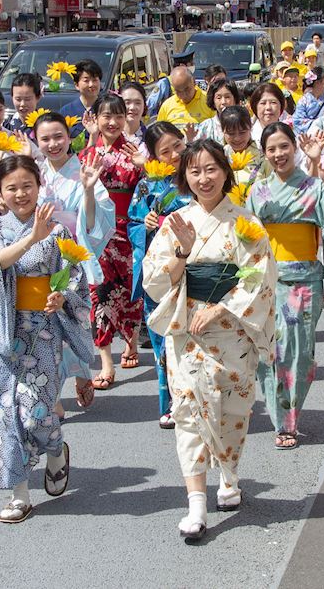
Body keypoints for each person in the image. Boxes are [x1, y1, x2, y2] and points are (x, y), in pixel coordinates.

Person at [143, 139, 277, 540]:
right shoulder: (175, 222)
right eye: (194, 171)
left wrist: (220, 309)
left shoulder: (245, 222)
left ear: (225, 172)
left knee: (231, 410)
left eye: (211, 169)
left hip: (231, 328)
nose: (203, 178)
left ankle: (229, 476)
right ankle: (196, 505)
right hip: (186, 328)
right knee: (188, 411)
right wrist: (181, 254)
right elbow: (154, 280)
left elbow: (260, 277)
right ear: (184, 176)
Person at [0, 155, 95, 523]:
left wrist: (61, 296)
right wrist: (32, 238)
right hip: (2, 332)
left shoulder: (58, 232)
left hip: (41, 329)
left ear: (38, 186)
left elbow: (75, 278)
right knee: (4, 413)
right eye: (11, 187)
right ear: (0, 193)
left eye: (27, 185)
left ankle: (56, 450)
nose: (20, 193)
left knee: (36, 413)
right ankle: (19, 494)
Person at [246, 124, 324, 448]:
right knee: (268, 349)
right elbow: (246, 239)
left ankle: (289, 417)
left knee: (298, 352)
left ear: (295, 148)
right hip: (267, 280)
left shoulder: (315, 187)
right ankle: (283, 420)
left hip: (304, 281)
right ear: (264, 153)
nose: (278, 154)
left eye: (284, 146)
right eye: (271, 149)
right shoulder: (258, 191)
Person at [34, 112, 114, 412]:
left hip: (72, 259)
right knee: (44, 327)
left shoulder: (82, 170)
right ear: (36, 142)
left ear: (70, 137)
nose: (53, 144)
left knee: (75, 322)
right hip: (40, 258)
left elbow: (95, 222)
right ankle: (53, 394)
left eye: (59, 136)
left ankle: (80, 372)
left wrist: (89, 189)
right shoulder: (34, 174)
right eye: (45, 139)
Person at [128, 122, 193, 428]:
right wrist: (145, 224)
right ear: (153, 157)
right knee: (162, 340)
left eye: (178, 146)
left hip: (192, 267)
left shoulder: (196, 178)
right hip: (160, 273)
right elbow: (132, 223)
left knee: (192, 339)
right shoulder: (147, 186)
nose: (174, 155)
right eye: (165, 151)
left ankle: (195, 400)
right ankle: (168, 403)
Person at [77, 94, 144, 387]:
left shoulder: (135, 151)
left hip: (129, 230)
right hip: (99, 233)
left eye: (118, 116)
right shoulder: (88, 154)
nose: (113, 122)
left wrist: (144, 166)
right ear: (96, 119)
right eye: (107, 116)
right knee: (100, 293)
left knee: (131, 292)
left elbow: (149, 189)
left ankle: (131, 340)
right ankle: (106, 362)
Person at [59, 59, 104, 136]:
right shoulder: (66, 111)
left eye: (95, 80)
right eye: (86, 81)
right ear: (76, 85)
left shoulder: (107, 108)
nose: (91, 84)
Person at [291, 66, 324, 134]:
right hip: (307, 136)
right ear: (318, 82)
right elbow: (297, 121)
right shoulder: (304, 101)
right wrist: (319, 122)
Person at [5, 72, 43, 138]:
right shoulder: (7, 125)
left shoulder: (44, 124)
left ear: (38, 97)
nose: (22, 104)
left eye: (27, 99)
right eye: (18, 99)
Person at [119, 80, 149, 145]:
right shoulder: (109, 134)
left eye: (137, 103)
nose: (132, 107)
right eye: (127, 102)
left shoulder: (151, 138)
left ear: (144, 105)